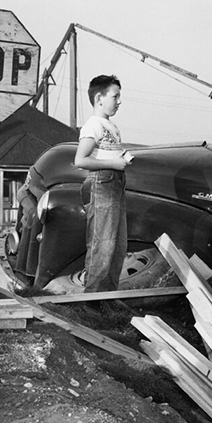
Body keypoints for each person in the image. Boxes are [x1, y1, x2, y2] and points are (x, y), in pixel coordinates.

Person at [74, 74, 134, 293]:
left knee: (118, 246)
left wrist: (122, 158)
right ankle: (91, 300)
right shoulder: (93, 125)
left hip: (116, 185)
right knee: (102, 244)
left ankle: (107, 296)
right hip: (102, 184)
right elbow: (80, 160)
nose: (119, 101)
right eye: (115, 96)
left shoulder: (111, 126)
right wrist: (114, 164)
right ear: (99, 99)